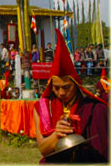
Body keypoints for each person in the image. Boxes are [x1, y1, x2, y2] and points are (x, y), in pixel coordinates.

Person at [33, 29, 109, 163]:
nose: (61, 93)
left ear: (76, 85)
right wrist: (56, 134)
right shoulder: (43, 108)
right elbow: (43, 149)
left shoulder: (94, 109)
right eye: (56, 88)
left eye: (66, 87)